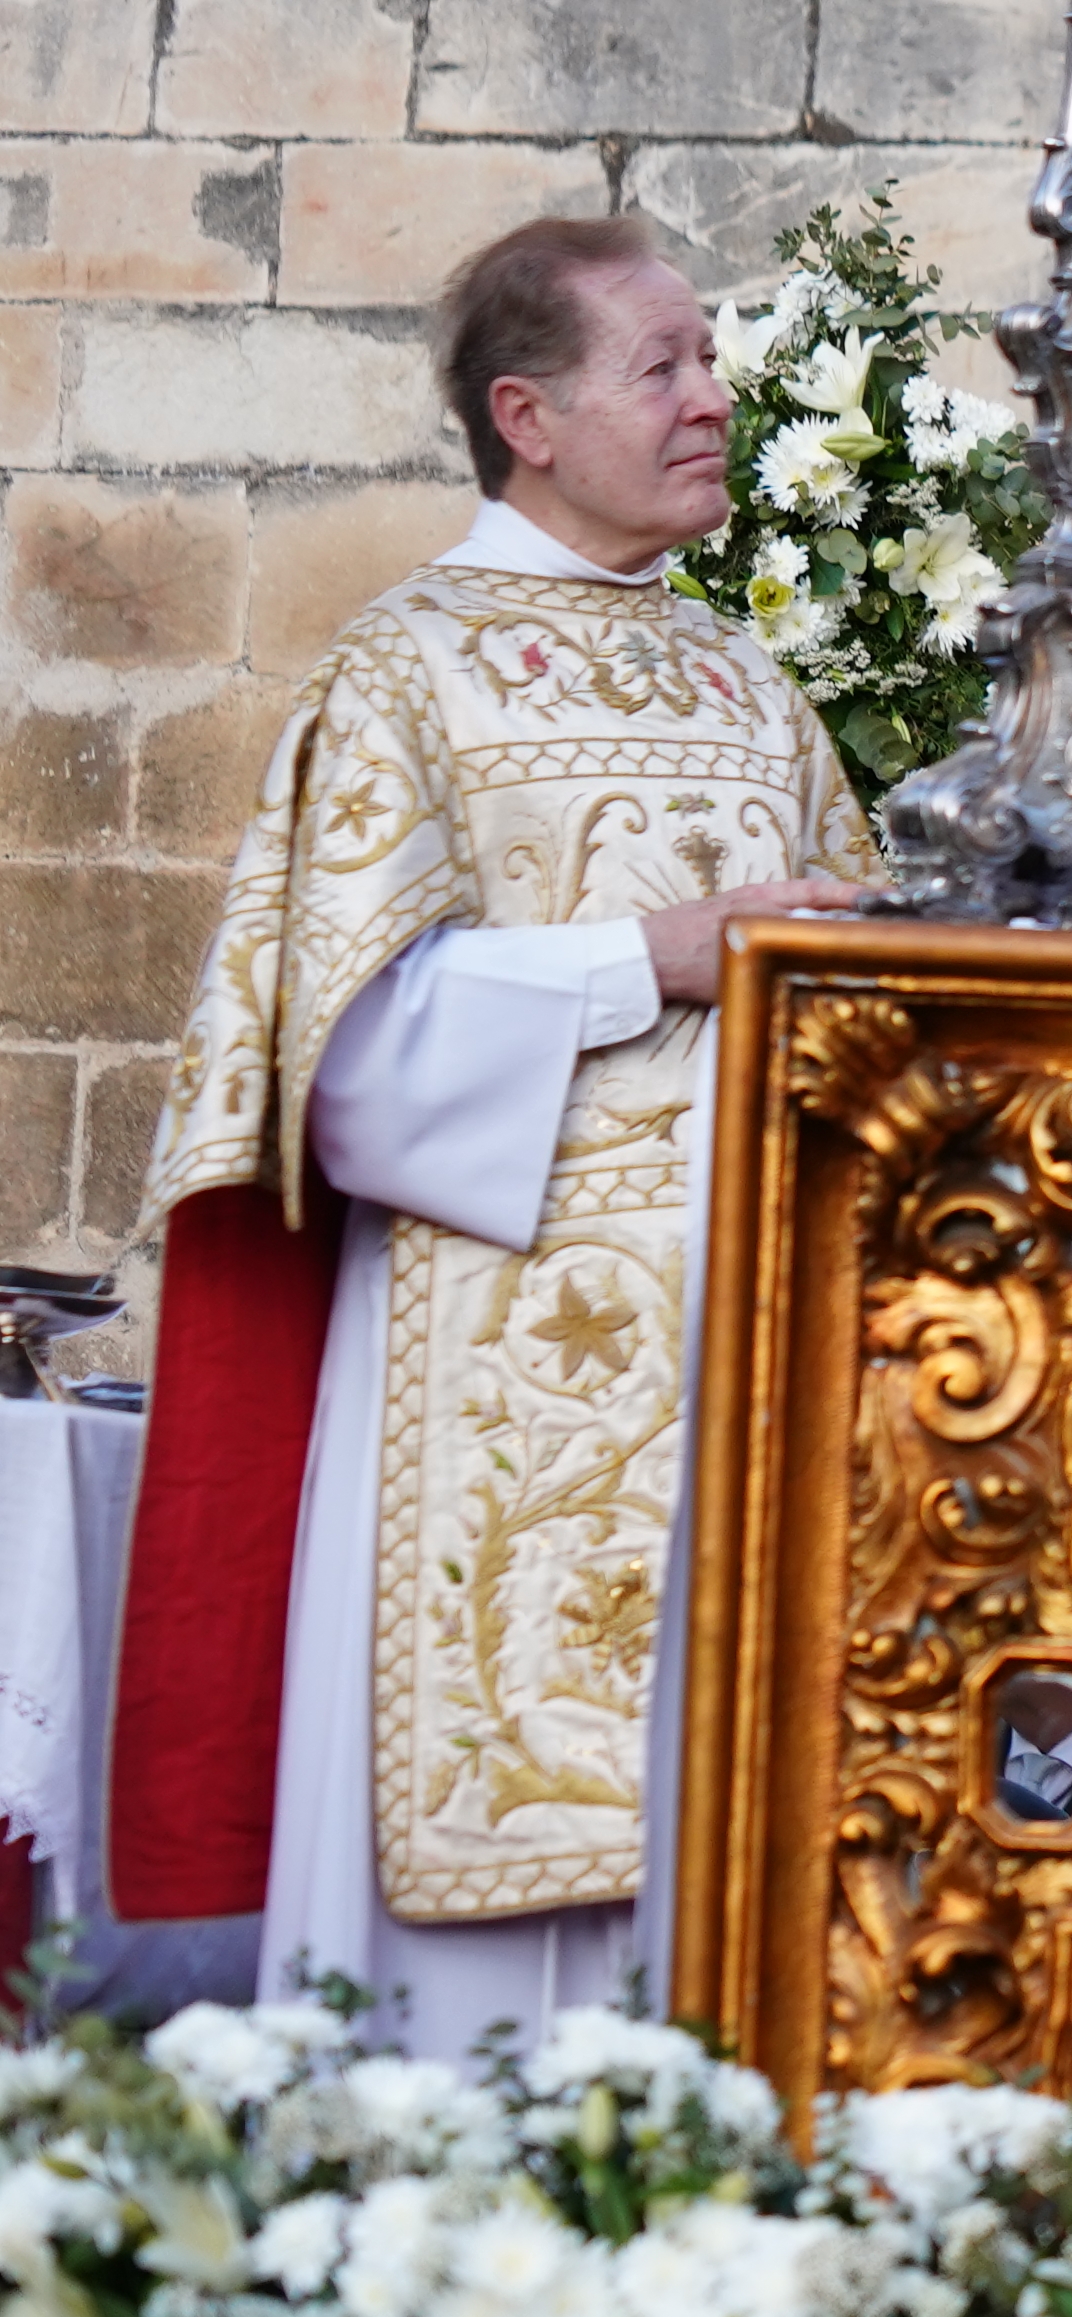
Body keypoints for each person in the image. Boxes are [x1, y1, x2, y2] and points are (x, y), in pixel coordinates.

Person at [112, 214, 879, 2027]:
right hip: (491, 1376)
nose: (714, 399)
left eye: (710, 359)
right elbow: (344, 1068)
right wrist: (648, 963)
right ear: (525, 415)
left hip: (743, 1370)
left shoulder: (749, 687)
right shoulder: (405, 674)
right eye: (665, 367)